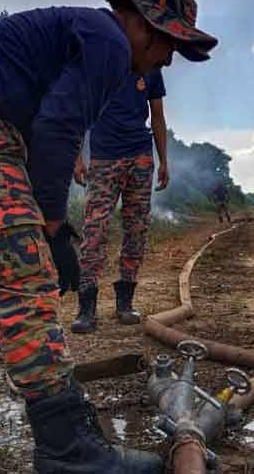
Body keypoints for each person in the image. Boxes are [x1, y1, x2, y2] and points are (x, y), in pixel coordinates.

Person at [0, 0, 216, 473]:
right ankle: (67, 446)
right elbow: (58, 127)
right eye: (169, 45)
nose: (168, 60)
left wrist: (48, 218)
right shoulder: (110, 42)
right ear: (144, 25)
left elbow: (44, 125)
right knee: (23, 279)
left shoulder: (83, 31)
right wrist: (50, 226)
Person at [69, 66, 170, 334]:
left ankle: (125, 302)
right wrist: (78, 157)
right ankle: (86, 307)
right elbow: (80, 112)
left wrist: (163, 161)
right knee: (94, 230)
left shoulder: (152, 66)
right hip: (104, 157)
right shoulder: (102, 60)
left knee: (137, 229)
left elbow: (158, 116)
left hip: (141, 156)